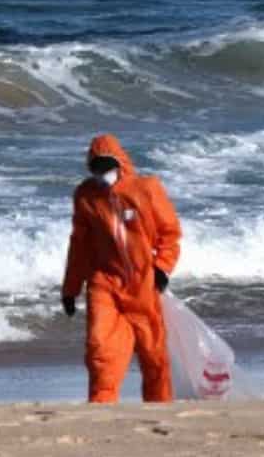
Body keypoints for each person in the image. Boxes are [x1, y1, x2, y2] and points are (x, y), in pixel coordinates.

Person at [61, 134, 183, 403]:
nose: (102, 174)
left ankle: (159, 408)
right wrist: (70, 288)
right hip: (105, 284)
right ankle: (101, 407)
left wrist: (162, 268)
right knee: (100, 349)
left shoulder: (146, 189)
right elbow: (79, 246)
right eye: (96, 168)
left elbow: (170, 234)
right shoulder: (85, 196)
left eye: (107, 167)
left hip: (143, 283)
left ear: (120, 164)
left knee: (154, 357)